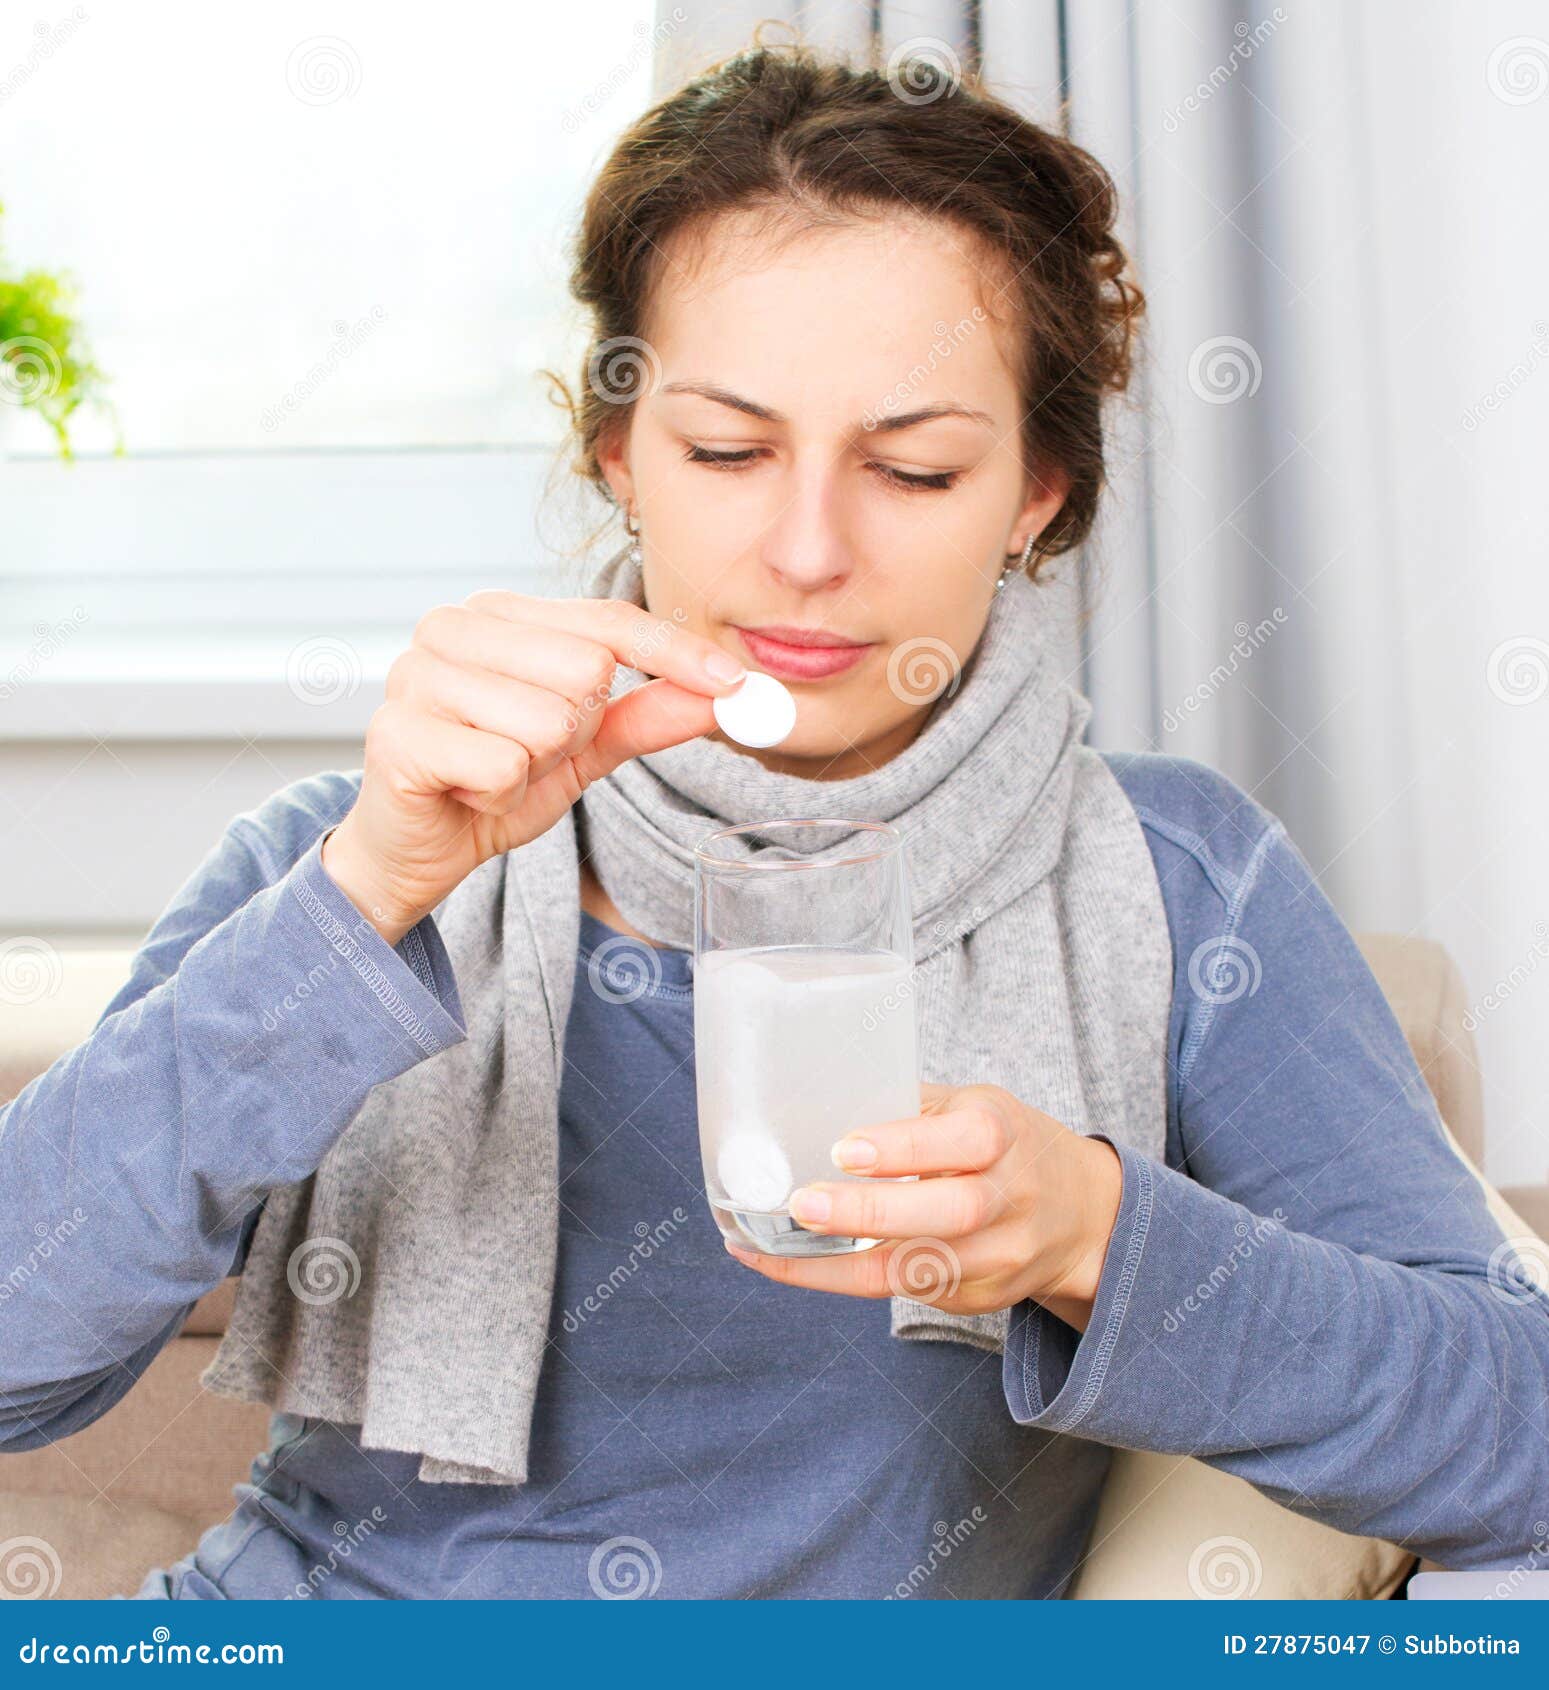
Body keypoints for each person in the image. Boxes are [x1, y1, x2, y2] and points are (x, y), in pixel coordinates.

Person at [3, 42, 1547, 1601]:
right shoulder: (347, 851)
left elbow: (1522, 1427)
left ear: (1034, 494)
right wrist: (358, 906)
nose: (808, 549)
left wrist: (1092, 1232)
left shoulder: (1174, 879)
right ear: (617, 452)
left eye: (915, 466)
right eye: (727, 451)